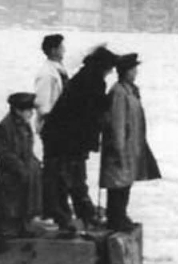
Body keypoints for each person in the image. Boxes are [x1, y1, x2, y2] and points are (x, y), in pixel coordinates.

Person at [41, 45, 119, 235]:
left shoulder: (86, 77)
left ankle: (78, 215)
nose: (111, 71)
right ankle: (70, 217)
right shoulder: (93, 81)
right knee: (66, 178)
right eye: (110, 67)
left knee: (69, 178)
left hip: (64, 138)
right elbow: (89, 114)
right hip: (66, 139)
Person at [99, 53, 161, 231]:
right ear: (125, 72)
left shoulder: (130, 90)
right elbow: (118, 122)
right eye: (133, 69)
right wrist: (119, 148)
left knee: (125, 183)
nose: (136, 73)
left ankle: (121, 215)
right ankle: (115, 218)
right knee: (118, 184)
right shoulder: (119, 92)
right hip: (122, 146)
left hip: (131, 146)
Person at [0, 92, 42, 239]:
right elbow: (3, 152)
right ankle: (6, 233)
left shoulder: (24, 125)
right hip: (11, 175)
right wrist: (20, 167)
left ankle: (23, 228)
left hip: (24, 172)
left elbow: (27, 148)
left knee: (24, 204)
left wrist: (35, 164)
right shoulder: (5, 126)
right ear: (18, 110)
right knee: (9, 207)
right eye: (28, 110)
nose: (32, 113)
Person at [34, 34, 68, 134]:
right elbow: (43, 104)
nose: (64, 50)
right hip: (52, 126)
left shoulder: (59, 69)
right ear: (53, 50)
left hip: (61, 123)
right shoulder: (46, 74)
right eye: (61, 47)